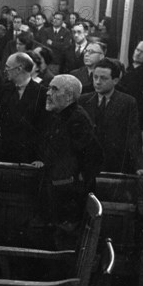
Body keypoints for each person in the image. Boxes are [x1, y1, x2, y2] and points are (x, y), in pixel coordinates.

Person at [34, 74, 102, 227]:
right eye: (49, 88)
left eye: (54, 89)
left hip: (66, 199)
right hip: (54, 193)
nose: (47, 93)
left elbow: (91, 159)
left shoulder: (78, 119)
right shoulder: (59, 115)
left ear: (69, 96)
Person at [79, 58, 143, 175]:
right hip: (87, 165)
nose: (98, 82)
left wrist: (139, 166)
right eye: (95, 77)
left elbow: (133, 136)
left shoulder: (127, 102)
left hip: (115, 165)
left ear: (115, 80)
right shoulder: (83, 100)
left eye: (103, 78)